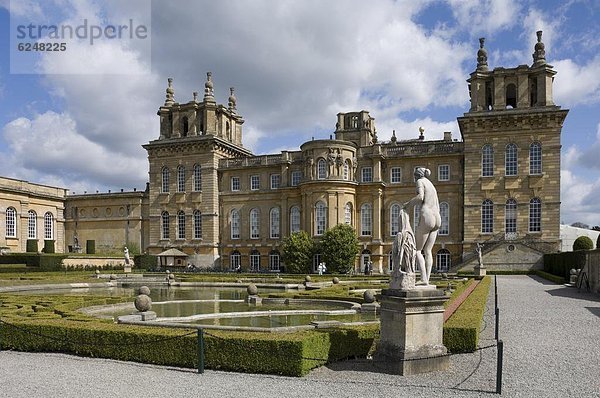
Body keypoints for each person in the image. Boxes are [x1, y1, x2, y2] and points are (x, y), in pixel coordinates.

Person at [403, 167, 441, 285]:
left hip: (427, 215)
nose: (414, 179)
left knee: (417, 249)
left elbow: (420, 197)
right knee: (428, 250)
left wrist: (408, 204)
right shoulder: (431, 185)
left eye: (414, 177)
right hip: (437, 218)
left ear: (416, 176)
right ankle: (427, 280)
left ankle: (423, 278)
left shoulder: (420, 181)